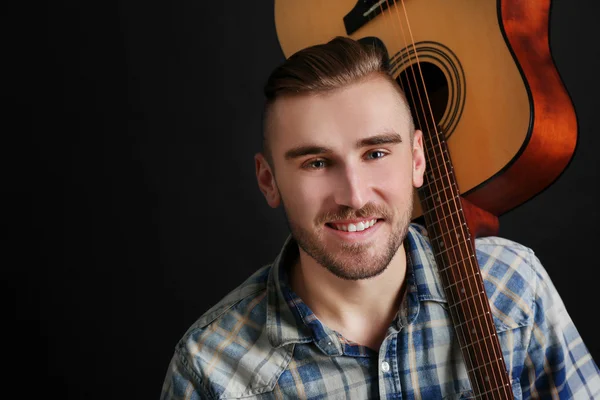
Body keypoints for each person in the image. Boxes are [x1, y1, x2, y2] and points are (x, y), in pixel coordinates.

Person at [160, 36, 600, 399]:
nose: (354, 195)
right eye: (316, 162)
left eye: (375, 153)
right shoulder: (211, 370)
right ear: (268, 179)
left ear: (417, 159)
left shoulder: (513, 288)